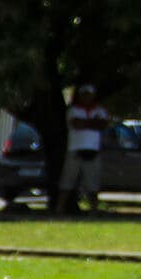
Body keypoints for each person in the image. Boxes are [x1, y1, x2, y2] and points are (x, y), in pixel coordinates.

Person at [58, 83, 110, 214]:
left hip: (93, 150)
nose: (87, 97)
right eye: (84, 95)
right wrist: (93, 122)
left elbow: (102, 125)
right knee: (68, 180)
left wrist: (86, 122)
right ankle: (60, 208)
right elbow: (76, 124)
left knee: (93, 182)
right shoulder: (73, 110)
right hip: (75, 149)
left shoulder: (100, 110)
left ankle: (94, 210)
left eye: (89, 95)